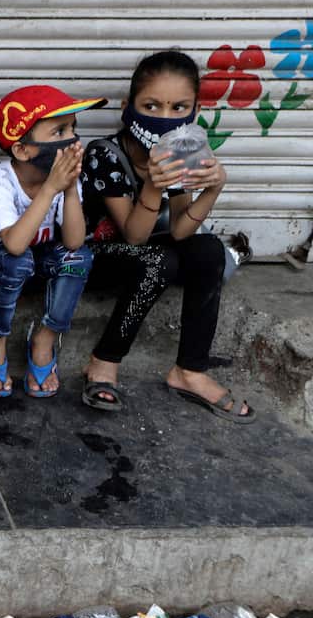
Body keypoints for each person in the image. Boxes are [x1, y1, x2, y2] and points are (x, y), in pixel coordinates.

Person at [79, 50, 255, 423]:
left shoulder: (178, 152)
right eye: (151, 105)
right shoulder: (104, 154)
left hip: (147, 256)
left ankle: (189, 371)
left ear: (193, 111)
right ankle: (104, 359)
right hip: (95, 257)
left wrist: (212, 189)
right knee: (160, 258)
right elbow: (134, 236)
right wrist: (153, 185)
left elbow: (179, 229)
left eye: (179, 108)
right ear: (129, 107)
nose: (164, 117)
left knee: (208, 249)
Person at [0, 85, 100, 399]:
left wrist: (68, 189)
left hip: (39, 258)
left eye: (73, 129)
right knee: (18, 258)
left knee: (79, 257)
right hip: (2, 263)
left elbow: (72, 242)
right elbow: (14, 245)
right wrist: (49, 190)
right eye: (59, 131)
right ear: (22, 150)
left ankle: (45, 337)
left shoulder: (63, 180)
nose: (72, 140)